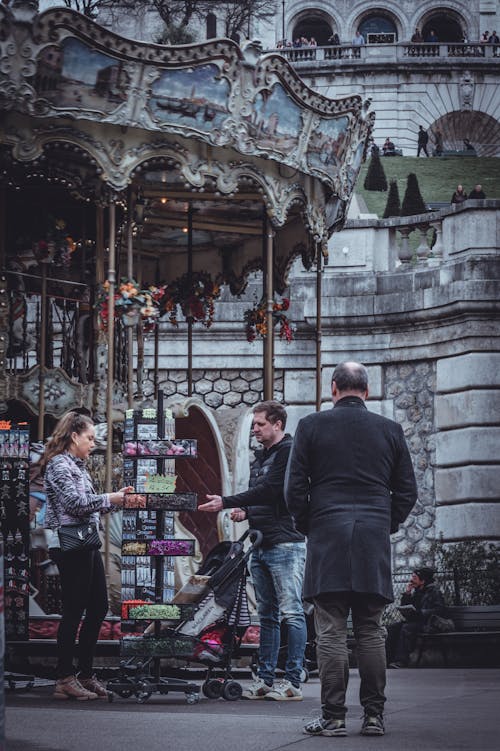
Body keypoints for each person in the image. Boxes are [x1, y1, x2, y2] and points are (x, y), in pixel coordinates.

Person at [285, 361, 418, 737]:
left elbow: (293, 489)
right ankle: (374, 716)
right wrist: (385, 523)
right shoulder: (390, 430)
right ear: (367, 391)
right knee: (371, 631)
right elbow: (407, 491)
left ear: (333, 389)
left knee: (329, 631)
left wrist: (308, 523)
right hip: (371, 540)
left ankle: (334, 716)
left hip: (327, 536)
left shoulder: (310, 426)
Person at [198, 400, 306, 701]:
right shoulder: (263, 456)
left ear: (277, 424)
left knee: (291, 612)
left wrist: (227, 501)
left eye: (260, 424)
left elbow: (274, 490)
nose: (255, 429)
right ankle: (267, 679)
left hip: (286, 543)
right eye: (255, 424)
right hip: (260, 542)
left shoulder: (289, 452)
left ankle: (294, 680)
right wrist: (246, 511)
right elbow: (267, 497)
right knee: (268, 615)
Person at [41, 410, 132, 700]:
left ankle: (85, 673)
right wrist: (109, 498)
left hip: (87, 541)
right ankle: (64, 677)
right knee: (74, 609)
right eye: (90, 437)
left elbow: (89, 506)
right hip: (70, 544)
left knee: (98, 607)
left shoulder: (77, 466)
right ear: (74, 436)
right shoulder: (58, 465)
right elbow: (75, 503)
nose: (93, 443)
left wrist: (118, 500)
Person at [385, 567, 445, 668]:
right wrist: (407, 593)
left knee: (406, 629)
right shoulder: (417, 591)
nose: (411, 580)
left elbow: (440, 610)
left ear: (423, 580)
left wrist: (421, 613)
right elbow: (406, 606)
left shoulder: (434, 591)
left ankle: (400, 661)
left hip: (428, 623)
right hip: (416, 622)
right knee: (391, 628)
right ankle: (388, 660)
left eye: (414, 577)